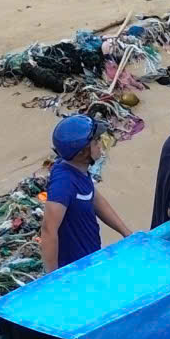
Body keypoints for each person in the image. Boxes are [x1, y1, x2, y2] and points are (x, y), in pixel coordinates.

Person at [38, 114, 129, 271]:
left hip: (91, 256)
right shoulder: (63, 184)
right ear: (81, 152)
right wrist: (52, 279)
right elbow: (48, 230)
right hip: (76, 269)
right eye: (95, 142)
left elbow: (93, 197)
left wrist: (126, 232)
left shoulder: (78, 169)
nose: (100, 144)